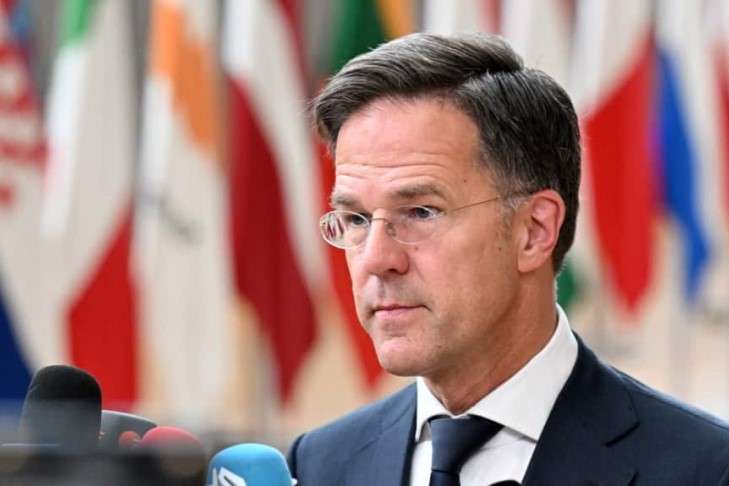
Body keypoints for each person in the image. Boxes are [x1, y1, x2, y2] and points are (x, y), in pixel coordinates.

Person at [286, 33, 729, 485]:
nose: (376, 259)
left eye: (421, 212)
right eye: (356, 219)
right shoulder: (319, 464)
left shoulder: (705, 469)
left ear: (534, 230)